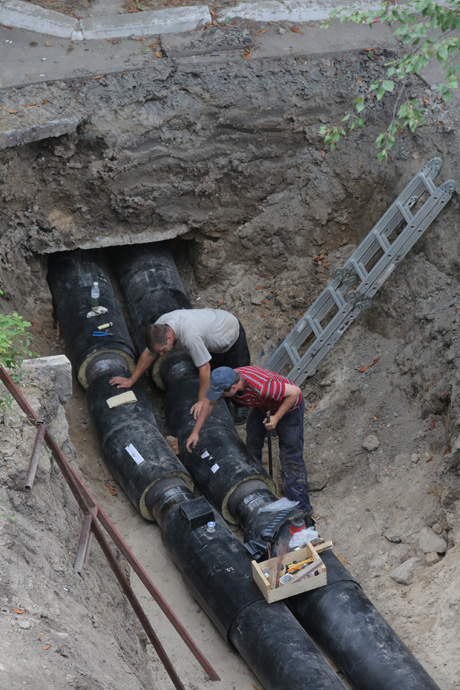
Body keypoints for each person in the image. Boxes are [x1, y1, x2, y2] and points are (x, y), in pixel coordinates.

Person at [186, 365, 313, 517]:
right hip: (262, 406)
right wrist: (195, 432)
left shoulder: (262, 387)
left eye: (222, 393)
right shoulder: (227, 379)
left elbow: (295, 392)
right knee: (252, 443)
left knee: (290, 457)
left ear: (233, 388)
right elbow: (209, 403)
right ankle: (258, 488)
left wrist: (276, 418)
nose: (220, 397)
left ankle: (301, 509)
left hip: (289, 406)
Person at [109, 308, 250, 423]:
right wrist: (131, 380)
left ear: (169, 338)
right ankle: (225, 400)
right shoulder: (159, 327)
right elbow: (148, 354)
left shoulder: (190, 336)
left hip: (229, 332)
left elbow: (204, 368)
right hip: (211, 337)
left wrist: (201, 401)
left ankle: (241, 405)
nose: (161, 354)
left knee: (237, 375)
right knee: (217, 376)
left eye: (162, 350)